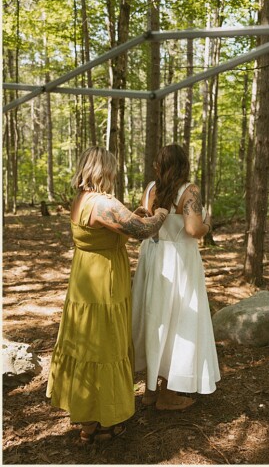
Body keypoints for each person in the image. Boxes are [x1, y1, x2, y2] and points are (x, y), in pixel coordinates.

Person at [47, 147, 170, 444]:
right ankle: (103, 423)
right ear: (106, 171)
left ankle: (88, 421)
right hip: (103, 286)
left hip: (84, 281)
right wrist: (162, 212)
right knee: (104, 348)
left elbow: (113, 226)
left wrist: (132, 215)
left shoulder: (81, 200)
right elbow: (142, 230)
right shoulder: (103, 203)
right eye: (112, 169)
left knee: (85, 346)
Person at [132, 144, 220, 410]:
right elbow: (194, 229)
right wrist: (208, 223)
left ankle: (150, 389)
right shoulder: (188, 191)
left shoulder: (150, 189)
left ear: (159, 165)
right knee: (179, 322)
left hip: (153, 257)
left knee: (155, 319)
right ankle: (169, 394)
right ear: (183, 165)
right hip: (179, 261)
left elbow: (146, 218)